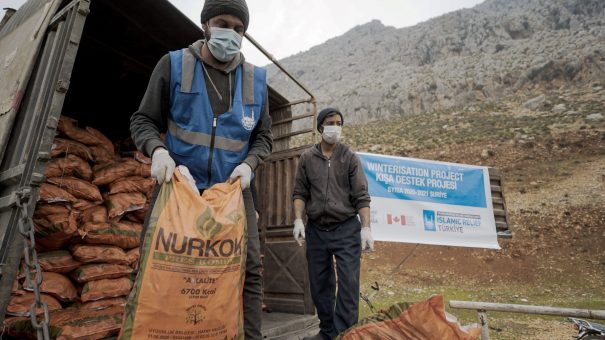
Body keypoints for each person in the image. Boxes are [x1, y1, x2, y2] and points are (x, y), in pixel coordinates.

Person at [130, 0, 272, 338]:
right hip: (179, 188)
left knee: (249, 269)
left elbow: (264, 137)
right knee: (160, 264)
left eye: (240, 29)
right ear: (206, 25)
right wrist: (158, 151)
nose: (232, 34)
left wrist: (250, 165)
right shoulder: (174, 65)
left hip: (233, 192)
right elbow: (143, 120)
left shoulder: (257, 80)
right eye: (224, 24)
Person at [292, 107, 374, 340]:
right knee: (320, 286)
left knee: (348, 283)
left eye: (339, 123)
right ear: (320, 127)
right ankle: (328, 332)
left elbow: (362, 196)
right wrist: (298, 219)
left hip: (346, 228)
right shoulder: (307, 158)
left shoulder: (349, 157)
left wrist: (366, 227)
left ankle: (345, 333)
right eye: (330, 122)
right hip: (317, 229)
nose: (335, 127)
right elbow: (299, 192)